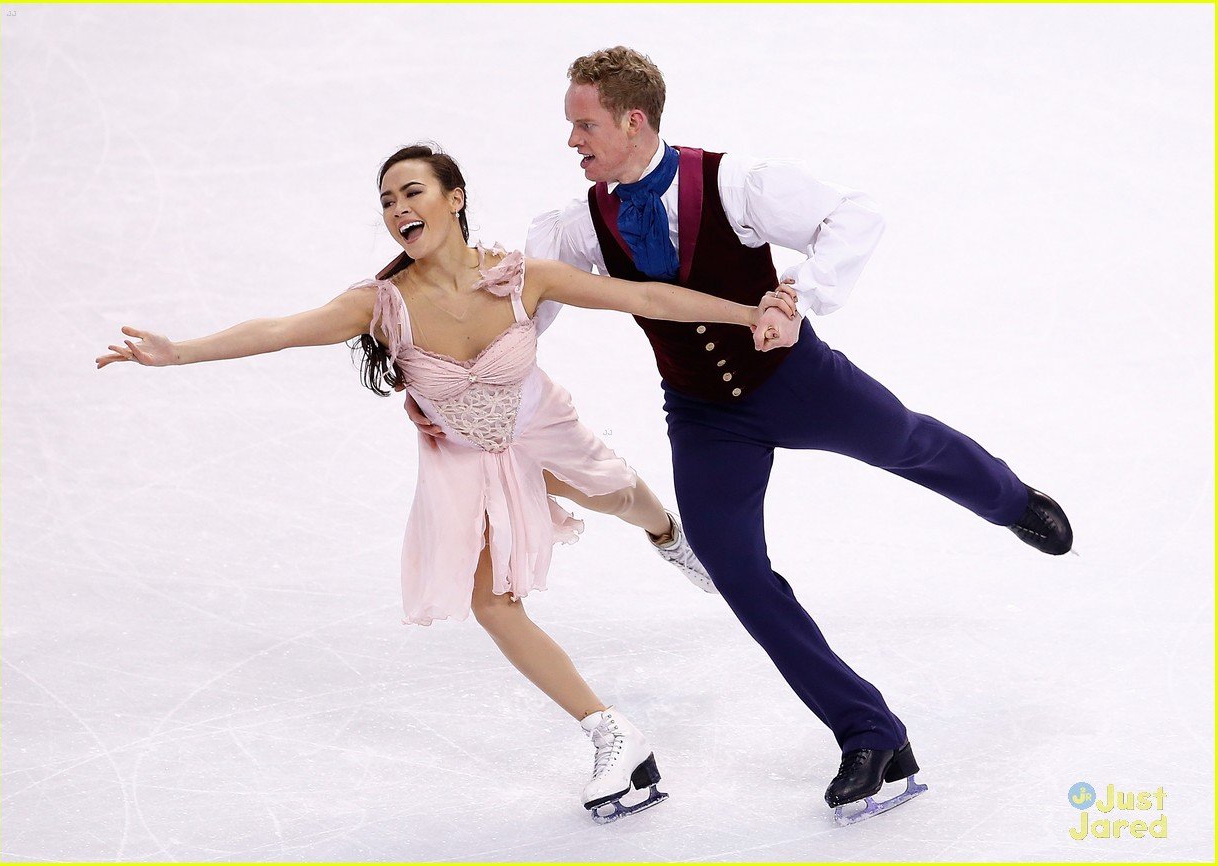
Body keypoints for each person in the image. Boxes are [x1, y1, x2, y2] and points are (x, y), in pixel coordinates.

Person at [403, 48, 1074, 825]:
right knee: (735, 569)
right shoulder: (574, 225)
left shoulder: (733, 182)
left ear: (633, 120)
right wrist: (456, 388)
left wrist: (798, 293)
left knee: (908, 444)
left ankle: (1011, 499)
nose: (572, 141)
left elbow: (853, 215)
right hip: (703, 415)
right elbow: (521, 319)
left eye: (584, 125)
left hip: (799, 382)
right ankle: (868, 732)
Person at [95, 143, 794, 824]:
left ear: (454, 198)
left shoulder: (521, 276)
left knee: (609, 493)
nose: (399, 207)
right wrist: (178, 353)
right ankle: (613, 734)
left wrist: (748, 312)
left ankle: (669, 534)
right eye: (388, 200)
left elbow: (639, 294)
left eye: (412, 192)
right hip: (463, 457)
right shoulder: (380, 303)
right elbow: (280, 329)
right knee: (492, 603)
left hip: (540, 425)